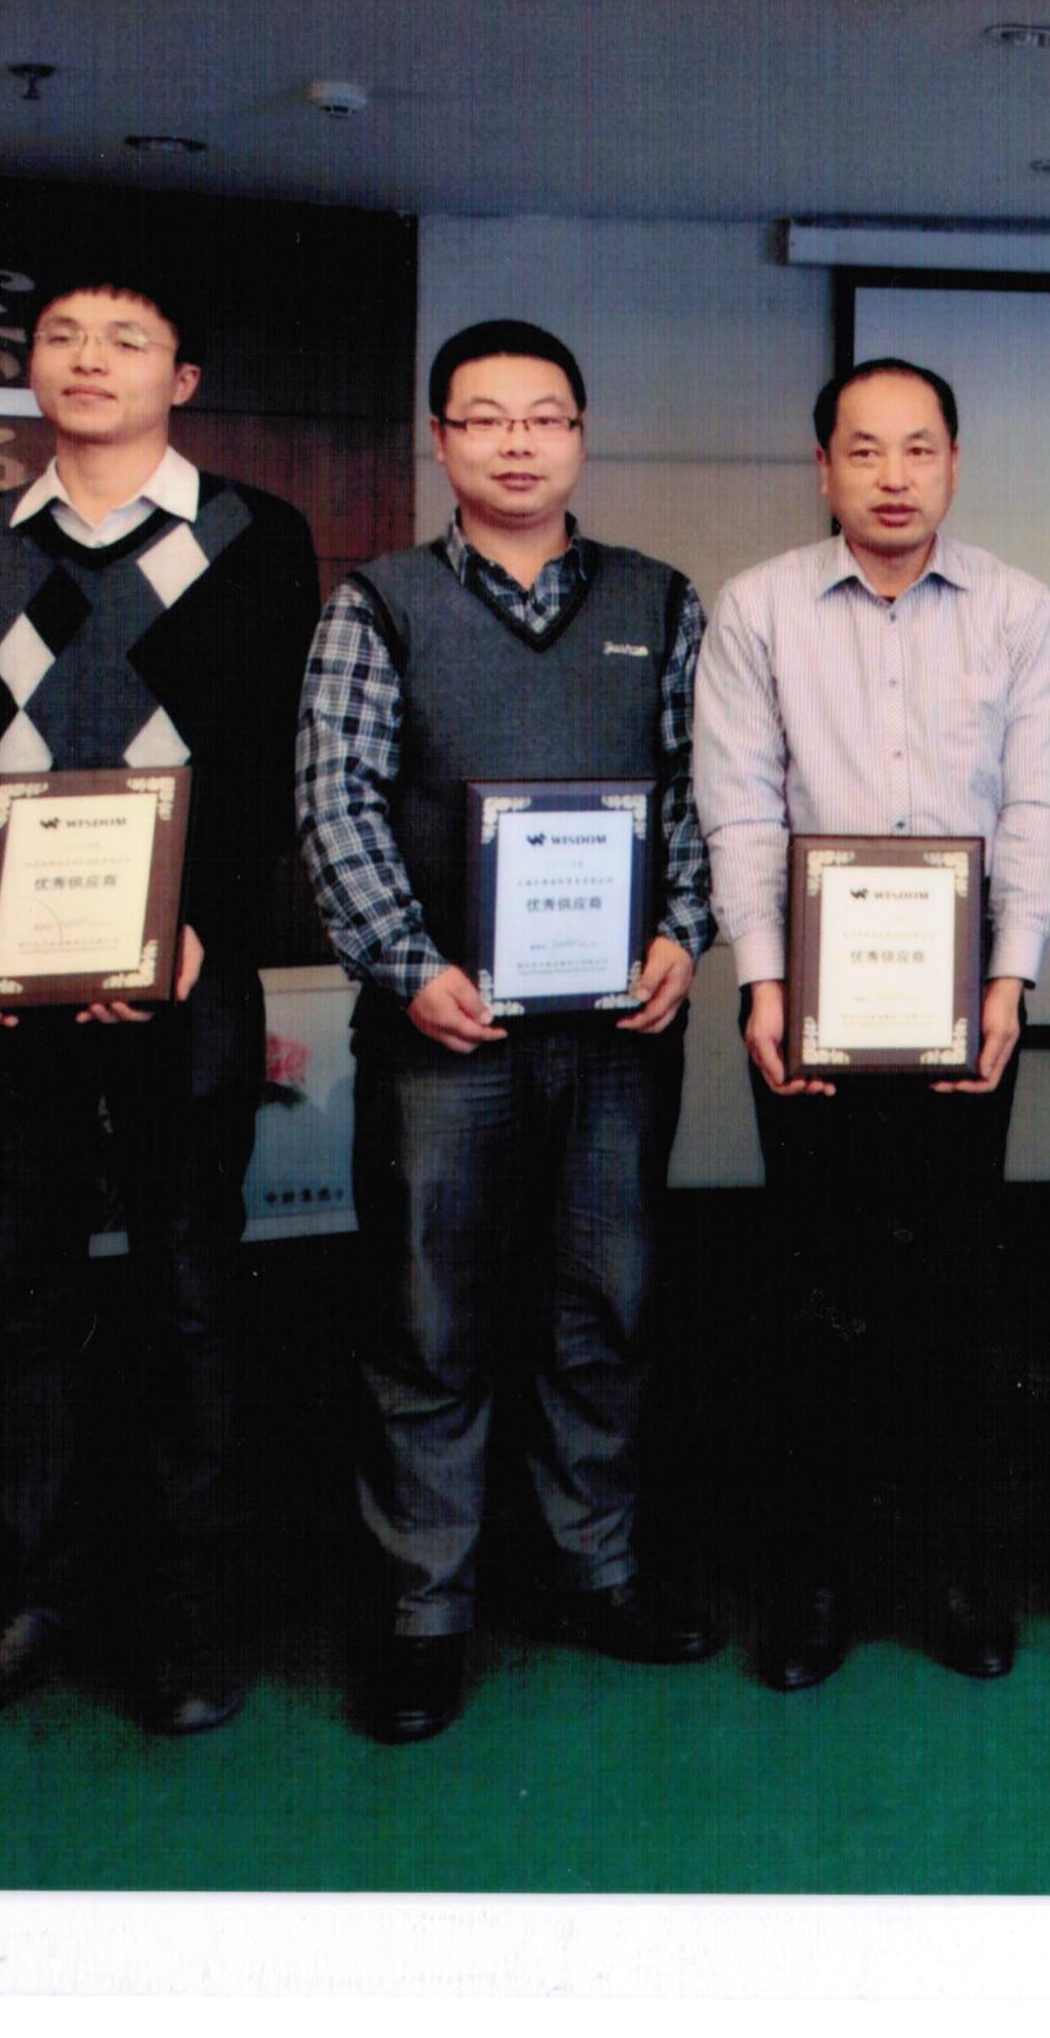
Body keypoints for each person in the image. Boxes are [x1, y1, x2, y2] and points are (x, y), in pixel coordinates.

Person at [0, 276, 323, 1739]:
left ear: (181, 377)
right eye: (64, 338)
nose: (91, 361)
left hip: (184, 970)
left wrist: (199, 922)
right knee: (21, 1298)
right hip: (0, 981)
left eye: (127, 340)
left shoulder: (255, 536)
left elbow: (263, 756)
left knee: (188, 1290)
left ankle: (182, 1616)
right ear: (31, 366)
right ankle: (29, 1605)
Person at [300, 317, 715, 1745]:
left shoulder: (659, 599)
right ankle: (425, 1612)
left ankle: (594, 1572)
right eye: (484, 418)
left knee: (604, 1307)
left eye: (545, 416)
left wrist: (684, 930)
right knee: (429, 1322)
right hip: (445, 1029)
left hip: (615, 1032)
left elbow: (704, 785)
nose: (517, 442)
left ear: (581, 435)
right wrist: (407, 965)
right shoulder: (380, 602)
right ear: (443, 441)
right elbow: (336, 799)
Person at [692, 357, 1050, 1691]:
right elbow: (740, 805)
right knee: (814, 1304)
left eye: (919, 449)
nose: (893, 476)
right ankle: (812, 1586)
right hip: (811, 1012)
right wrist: (763, 983)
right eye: (864, 450)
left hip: (966, 1013)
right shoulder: (756, 608)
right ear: (824, 467)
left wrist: (1010, 982)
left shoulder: (1017, 607)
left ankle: (957, 1577)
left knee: (954, 1303)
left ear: (954, 463)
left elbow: (1035, 804)